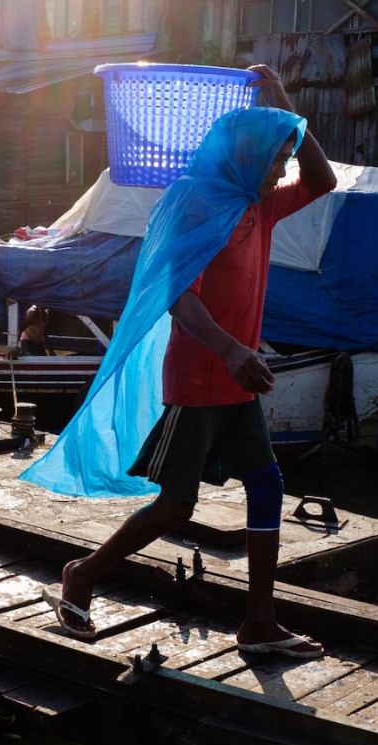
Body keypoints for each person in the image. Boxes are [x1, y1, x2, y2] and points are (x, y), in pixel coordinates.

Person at [40, 66, 337, 658]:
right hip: (202, 376)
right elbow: (178, 293)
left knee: (267, 484)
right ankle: (83, 575)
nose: (284, 168)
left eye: (284, 158)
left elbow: (322, 178)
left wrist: (284, 107)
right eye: (277, 157)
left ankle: (258, 621)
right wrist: (230, 349)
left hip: (237, 378)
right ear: (250, 157)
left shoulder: (261, 205)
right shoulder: (199, 205)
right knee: (176, 504)